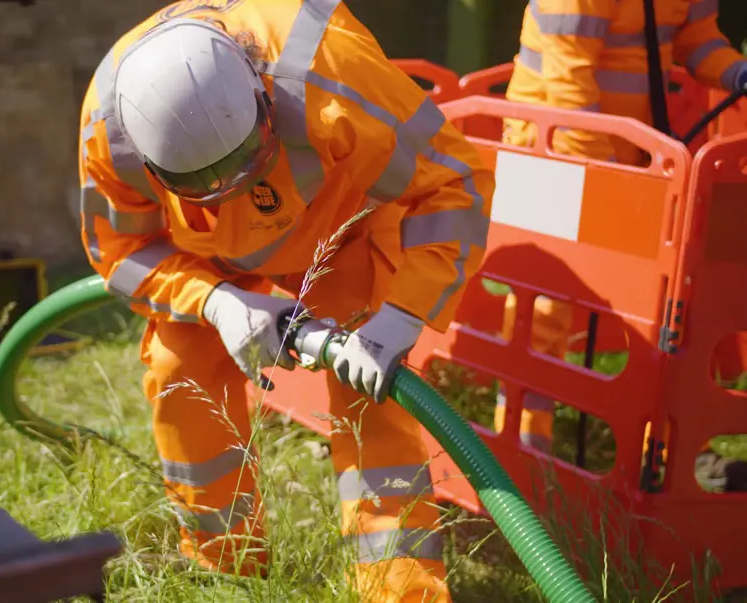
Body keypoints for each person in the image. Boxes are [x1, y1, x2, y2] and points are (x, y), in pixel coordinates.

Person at [77, 1, 495, 600]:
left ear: (262, 92)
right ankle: (223, 572)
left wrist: (400, 318)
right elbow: (117, 251)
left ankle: (400, 592)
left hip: (340, 228)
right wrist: (216, 301)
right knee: (179, 371)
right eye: (201, 184)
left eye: (247, 161)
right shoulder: (107, 131)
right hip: (205, 259)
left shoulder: (329, 69)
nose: (230, 189)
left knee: (369, 396)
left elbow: (454, 181)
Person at [495, 0, 747, 488]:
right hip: (555, 146)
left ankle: (667, 454)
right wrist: (608, 178)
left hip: (633, 156)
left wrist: (735, 71)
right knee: (549, 299)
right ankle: (524, 452)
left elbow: (700, 41)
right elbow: (568, 84)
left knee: (666, 303)